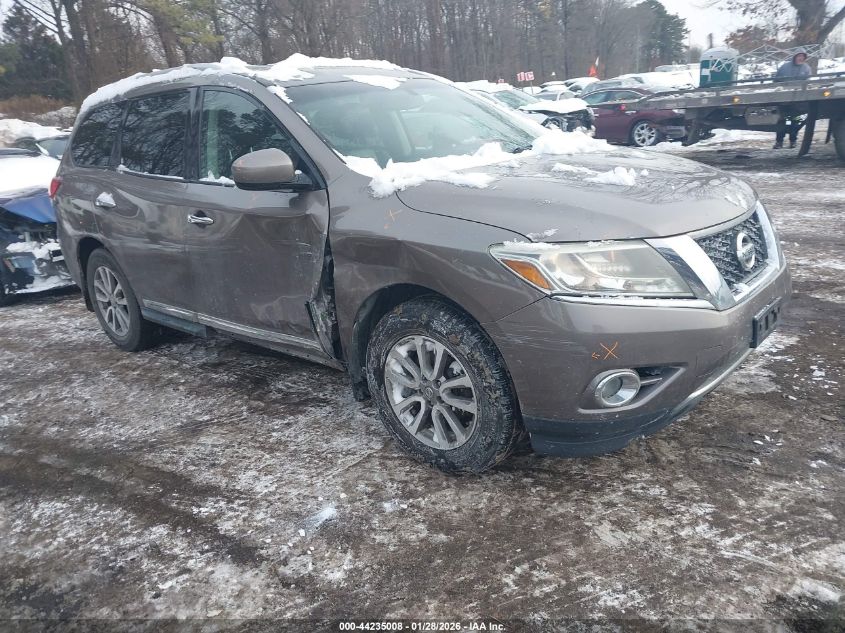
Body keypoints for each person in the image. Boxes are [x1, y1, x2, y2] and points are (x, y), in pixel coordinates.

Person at [773, 49, 812, 149]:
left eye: (802, 57)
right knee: (783, 121)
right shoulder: (785, 67)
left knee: (795, 121)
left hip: (798, 102)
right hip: (784, 101)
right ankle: (779, 141)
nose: (800, 58)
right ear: (794, 57)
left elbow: (808, 82)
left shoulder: (806, 68)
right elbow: (776, 81)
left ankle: (793, 140)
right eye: (799, 56)